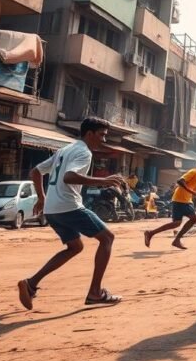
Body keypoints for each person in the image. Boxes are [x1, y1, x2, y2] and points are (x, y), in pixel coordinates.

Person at [17, 117, 124, 310]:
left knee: (75, 247)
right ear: (89, 134)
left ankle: (30, 284)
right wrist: (103, 180)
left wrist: (42, 198)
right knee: (107, 238)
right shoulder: (84, 153)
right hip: (69, 207)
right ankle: (95, 293)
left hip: (52, 210)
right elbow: (69, 177)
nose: (104, 140)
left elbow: (36, 171)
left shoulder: (65, 150)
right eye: (102, 135)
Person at [144, 158, 196, 249]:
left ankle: (151, 233)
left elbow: (192, 189)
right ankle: (175, 239)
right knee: (192, 219)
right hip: (181, 200)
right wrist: (193, 193)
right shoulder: (193, 172)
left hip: (185, 200)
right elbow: (180, 181)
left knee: (177, 223)